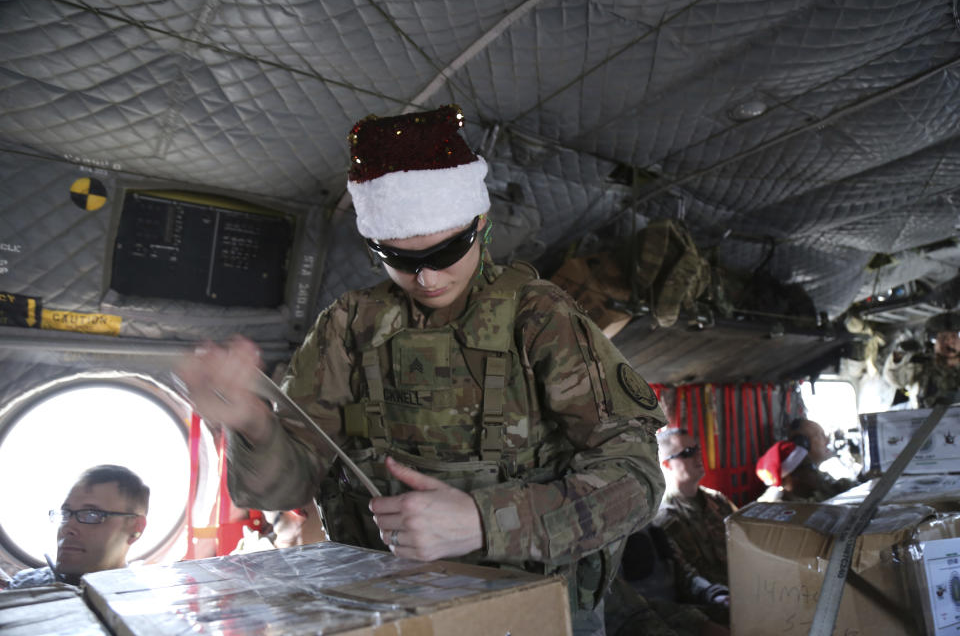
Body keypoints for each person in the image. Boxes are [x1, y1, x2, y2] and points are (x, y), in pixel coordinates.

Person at [176, 104, 667, 635]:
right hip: (391, 607)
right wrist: (254, 425)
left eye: (448, 248)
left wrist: (484, 522)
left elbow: (637, 480)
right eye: (400, 258)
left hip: (532, 610)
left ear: (481, 225)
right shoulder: (348, 326)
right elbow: (280, 490)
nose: (428, 278)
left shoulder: (540, 317)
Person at [6, 464, 149, 589]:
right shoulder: (23, 585)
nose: (67, 528)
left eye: (91, 515)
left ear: (136, 528)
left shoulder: (142, 605)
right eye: (65, 513)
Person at [651, 429, 735, 602]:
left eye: (697, 449)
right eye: (687, 453)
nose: (698, 456)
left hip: (740, 590)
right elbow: (683, 577)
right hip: (709, 604)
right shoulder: (663, 517)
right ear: (667, 465)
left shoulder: (717, 501)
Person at [784, 417, 855, 500]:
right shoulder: (800, 483)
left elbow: (837, 488)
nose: (827, 440)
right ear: (803, 444)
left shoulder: (816, 475)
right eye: (821, 435)